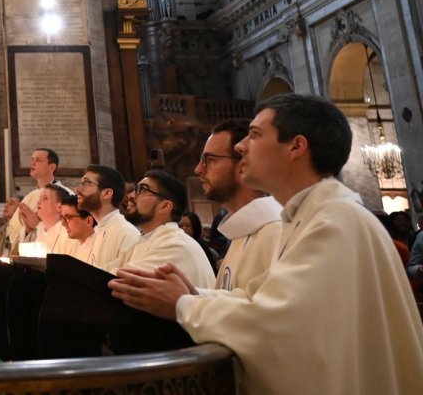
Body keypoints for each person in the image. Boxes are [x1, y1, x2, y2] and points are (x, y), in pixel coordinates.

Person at [110, 94, 423, 395]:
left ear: (296, 146)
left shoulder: (334, 221)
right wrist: (196, 294)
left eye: (255, 135)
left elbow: (276, 328)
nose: (243, 147)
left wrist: (182, 304)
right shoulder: (306, 218)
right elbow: (259, 298)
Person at [194, 119, 281, 292]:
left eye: (209, 159)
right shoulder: (239, 233)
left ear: (243, 166)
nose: (199, 169)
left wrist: (183, 303)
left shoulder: (275, 231)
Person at [110, 170, 215, 290]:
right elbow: (106, 270)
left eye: (143, 190)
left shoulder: (175, 244)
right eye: (135, 189)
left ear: (165, 206)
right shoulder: (144, 240)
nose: (131, 195)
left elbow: (116, 280)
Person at [76, 164, 140, 271]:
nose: (77, 189)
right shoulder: (96, 232)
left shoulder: (126, 234)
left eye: (87, 183)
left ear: (107, 193)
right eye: (81, 183)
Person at [10, 148, 60, 247]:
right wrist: (27, 230)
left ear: (52, 167)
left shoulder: (63, 195)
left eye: (38, 160)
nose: (32, 163)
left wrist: (37, 225)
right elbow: (13, 229)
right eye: (32, 159)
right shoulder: (29, 197)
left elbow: (64, 230)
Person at [58, 194, 95, 262]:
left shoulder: (99, 248)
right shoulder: (76, 248)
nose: (63, 224)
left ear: (88, 221)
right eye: (63, 218)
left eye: (68, 217)